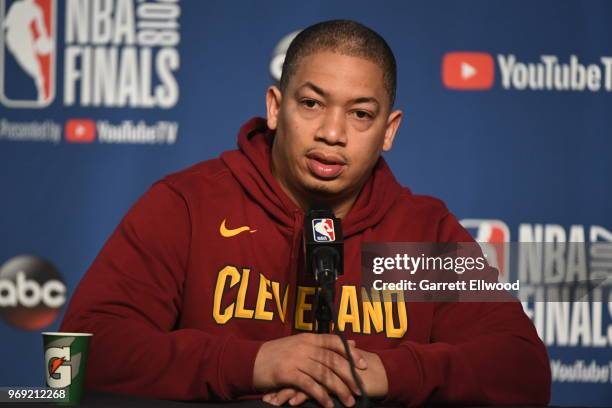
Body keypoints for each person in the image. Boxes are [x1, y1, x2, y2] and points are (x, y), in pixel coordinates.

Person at [61, 20, 551, 407]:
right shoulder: (188, 204)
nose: (332, 133)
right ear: (276, 108)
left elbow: (521, 368)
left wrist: (380, 373)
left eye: (360, 114)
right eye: (312, 103)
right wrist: (254, 363)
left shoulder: (421, 232)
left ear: (389, 130)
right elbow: (76, 358)